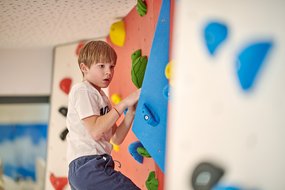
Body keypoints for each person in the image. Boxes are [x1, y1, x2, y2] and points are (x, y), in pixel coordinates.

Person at [66, 40, 141, 190]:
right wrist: (123, 104)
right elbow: (95, 131)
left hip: (90, 168)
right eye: (102, 66)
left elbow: (116, 138)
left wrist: (131, 113)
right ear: (84, 68)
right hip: (87, 166)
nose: (109, 71)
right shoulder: (83, 90)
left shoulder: (103, 99)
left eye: (112, 66)